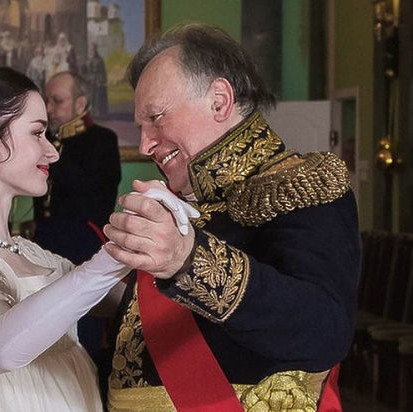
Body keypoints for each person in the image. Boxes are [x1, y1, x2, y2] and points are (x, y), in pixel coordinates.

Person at [103, 23, 361, 411]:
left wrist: (188, 260)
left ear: (219, 101)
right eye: (141, 126)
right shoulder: (181, 199)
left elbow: (324, 331)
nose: (145, 144)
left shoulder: (299, 185)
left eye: (156, 117)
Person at [0, 66, 194, 411]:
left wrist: (166, 225)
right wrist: (111, 256)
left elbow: (135, 304)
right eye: (37, 133)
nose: (53, 153)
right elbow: (1, 348)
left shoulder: (35, 256)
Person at [33, 70, 121, 396]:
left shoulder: (102, 140)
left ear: (80, 104)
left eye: (57, 101)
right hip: (44, 243)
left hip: (83, 246)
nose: (48, 108)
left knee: (83, 334)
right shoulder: (49, 139)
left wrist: (47, 149)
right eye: (47, 100)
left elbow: (84, 187)